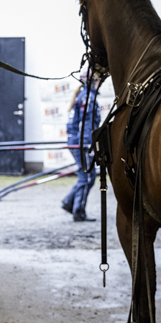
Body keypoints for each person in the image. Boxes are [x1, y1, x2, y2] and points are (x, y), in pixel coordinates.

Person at [61, 76, 101, 222]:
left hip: (77, 140)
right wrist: (88, 144)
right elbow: (86, 123)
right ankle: (78, 212)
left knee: (87, 177)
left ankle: (69, 202)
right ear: (94, 81)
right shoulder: (88, 97)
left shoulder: (84, 95)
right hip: (81, 141)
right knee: (87, 177)